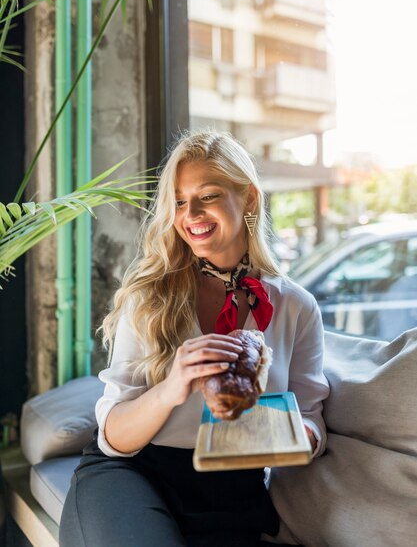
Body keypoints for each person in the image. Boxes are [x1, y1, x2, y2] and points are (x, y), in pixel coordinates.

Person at [59, 131, 329, 547]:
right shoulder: (150, 297)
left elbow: (310, 417)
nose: (191, 214)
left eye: (209, 195)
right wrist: (172, 387)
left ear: (250, 199)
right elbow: (113, 436)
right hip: (132, 474)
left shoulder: (297, 306)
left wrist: (290, 434)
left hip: (233, 489)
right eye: (180, 201)